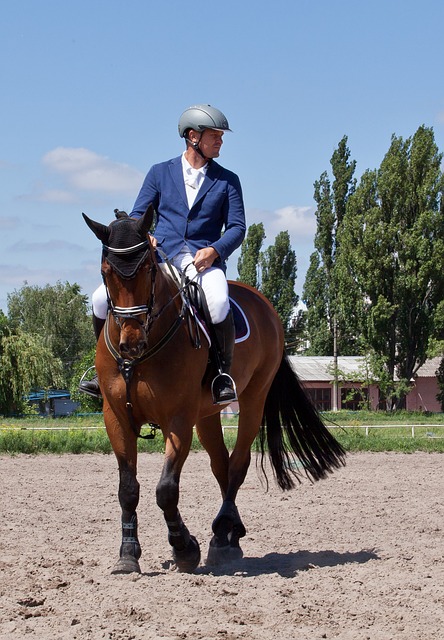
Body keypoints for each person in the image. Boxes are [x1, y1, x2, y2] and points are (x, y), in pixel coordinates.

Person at [80, 104, 246, 404]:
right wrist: (146, 235)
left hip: (202, 261)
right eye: (215, 136)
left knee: (220, 301)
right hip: (161, 258)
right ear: (193, 136)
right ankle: (100, 368)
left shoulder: (228, 180)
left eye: (221, 136)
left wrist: (214, 250)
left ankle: (222, 375)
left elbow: (237, 227)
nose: (220, 141)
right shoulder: (159, 172)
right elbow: (137, 215)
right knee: (100, 298)